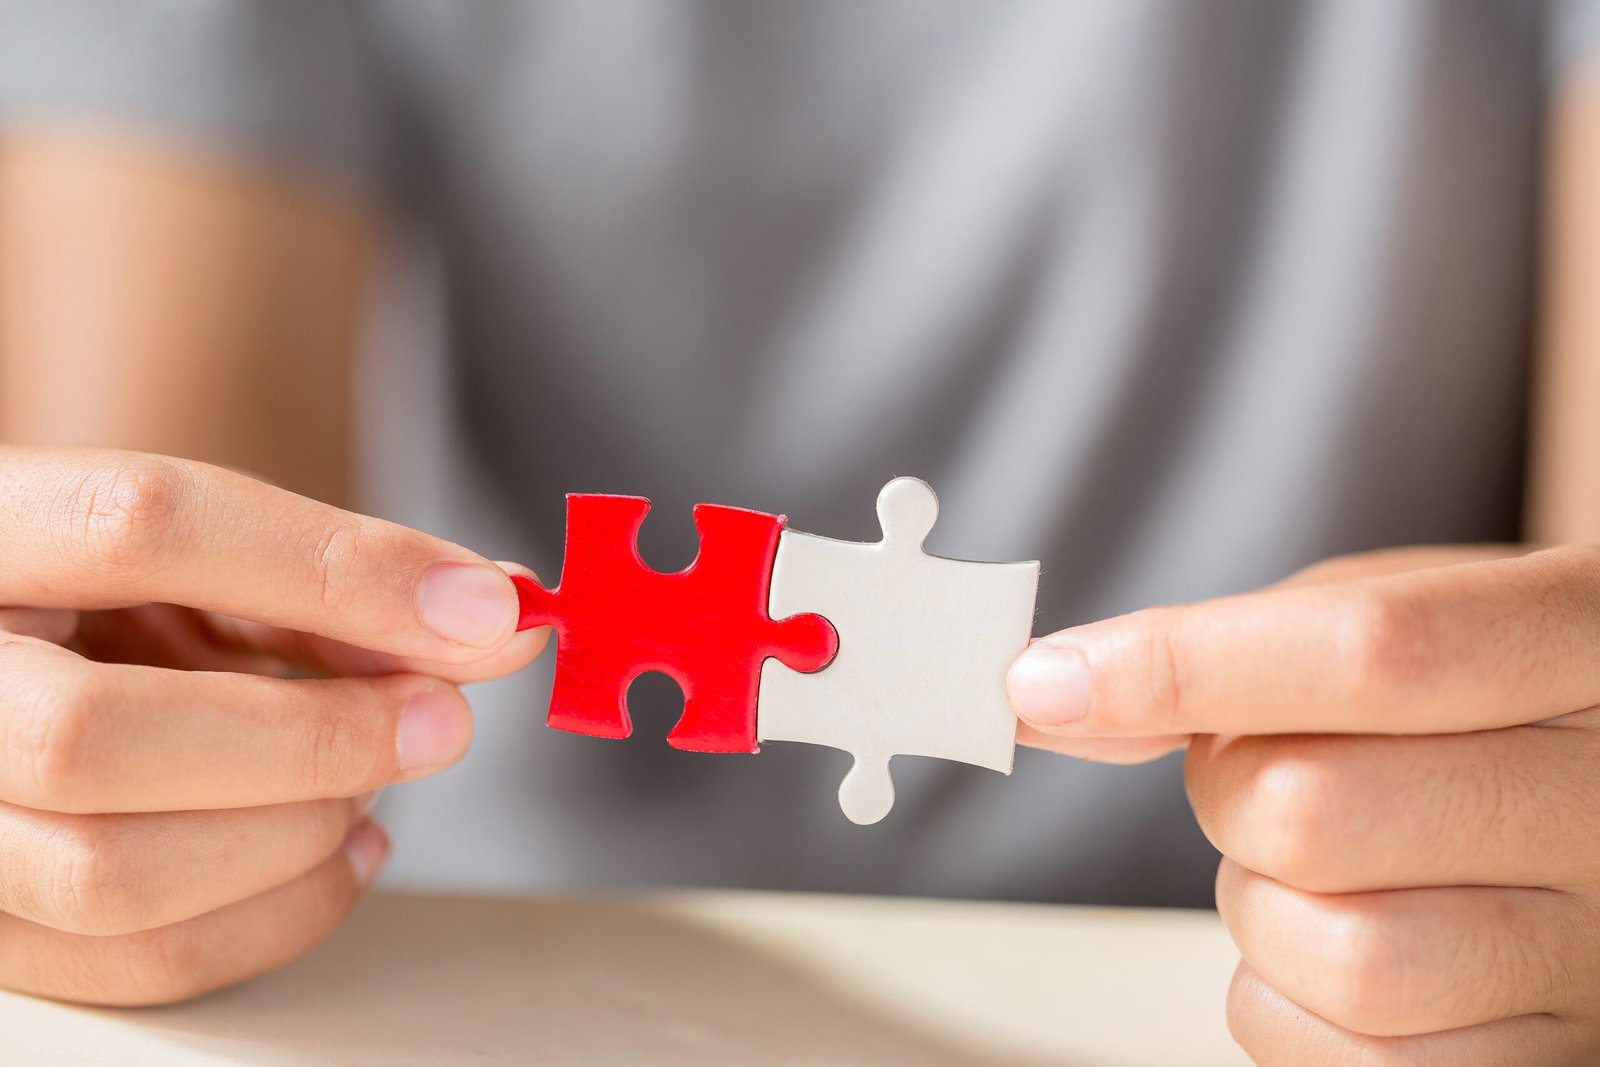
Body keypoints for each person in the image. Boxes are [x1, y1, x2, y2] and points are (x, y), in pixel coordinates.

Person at [0, 1, 1597, 1061]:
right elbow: (174, 592)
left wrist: (1544, 801)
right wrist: (122, 779)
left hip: (1284, 989)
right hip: (466, 977)